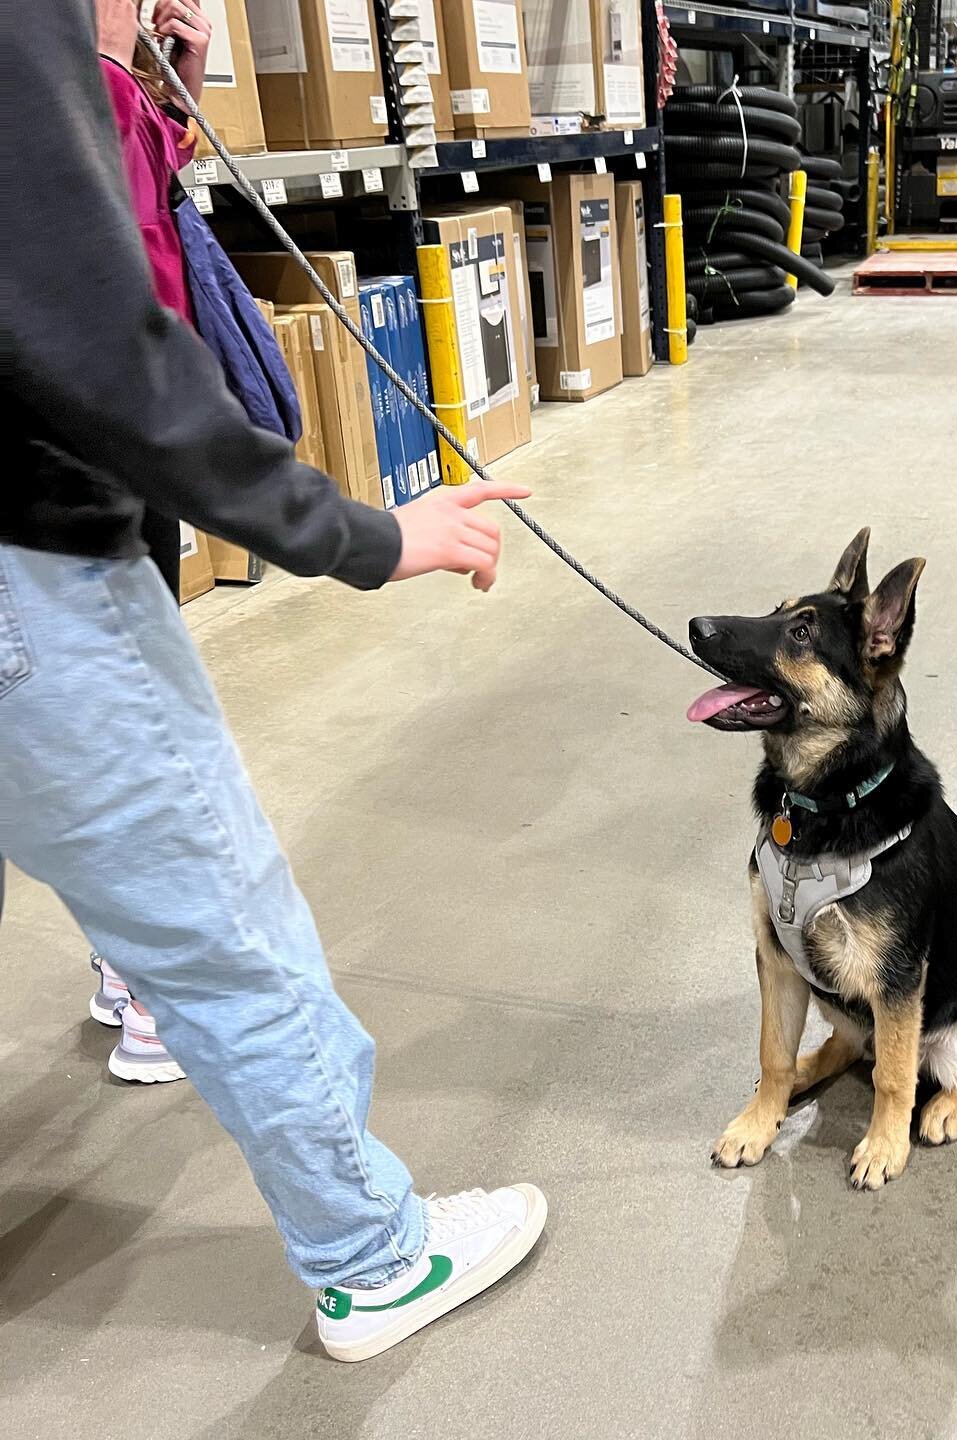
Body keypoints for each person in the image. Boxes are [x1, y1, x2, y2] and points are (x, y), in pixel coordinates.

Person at [1, 0, 546, 1363]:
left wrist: (129, 90)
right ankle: (375, 1258)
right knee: (222, 936)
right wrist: (364, 536)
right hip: (25, 582)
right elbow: (101, 348)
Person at [83, 0, 211, 1084]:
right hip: (102, 457)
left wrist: (179, 78)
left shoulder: (106, 91)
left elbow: (156, 189)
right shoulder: (59, 90)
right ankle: (148, 1000)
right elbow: (113, 266)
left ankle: (120, 965)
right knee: (133, 725)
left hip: (122, 452)